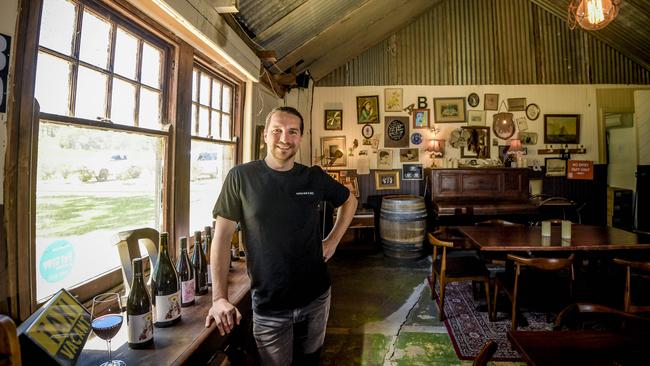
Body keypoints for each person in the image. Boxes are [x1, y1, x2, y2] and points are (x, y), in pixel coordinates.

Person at [205, 106, 358, 365]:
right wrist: (219, 298)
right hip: (269, 306)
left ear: (301, 137)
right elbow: (220, 239)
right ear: (265, 135)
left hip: (316, 298)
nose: (284, 138)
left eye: (292, 132)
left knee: (311, 360)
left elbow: (349, 201)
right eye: (277, 130)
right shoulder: (241, 177)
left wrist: (332, 241)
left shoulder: (313, 177)